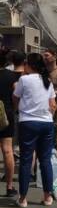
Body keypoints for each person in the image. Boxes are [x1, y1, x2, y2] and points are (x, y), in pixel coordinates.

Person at [13, 53, 56, 208]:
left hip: (28, 122)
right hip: (46, 122)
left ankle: (23, 198)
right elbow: (52, 103)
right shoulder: (48, 81)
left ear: (29, 64)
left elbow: (15, 98)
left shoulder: (24, 80)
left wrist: (20, 109)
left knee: (25, 160)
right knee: (45, 160)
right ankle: (47, 196)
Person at [0, 50, 19, 197]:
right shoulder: (11, 76)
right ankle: (10, 186)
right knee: (7, 150)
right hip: (6, 114)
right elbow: (15, 96)